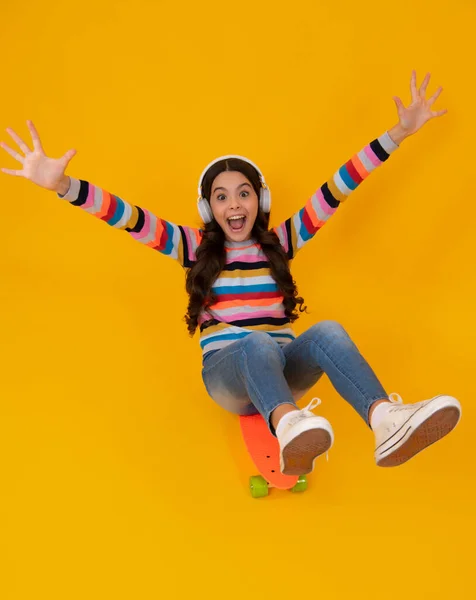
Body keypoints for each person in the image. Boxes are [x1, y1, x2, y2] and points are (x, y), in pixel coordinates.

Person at [1, 70, 461, 477]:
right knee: (256, 341)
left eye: (243, 194)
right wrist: (62, 185)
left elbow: (338, 186)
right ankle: (288, 424)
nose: (234, 204)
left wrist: (398, 134)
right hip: (227, 376)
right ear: (209, 208)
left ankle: (385, 421)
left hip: (283, 369)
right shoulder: (192, 246)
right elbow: (126, 216)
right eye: (221, 197)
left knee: (329, 332)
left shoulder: (281, 241)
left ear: (257, 201)